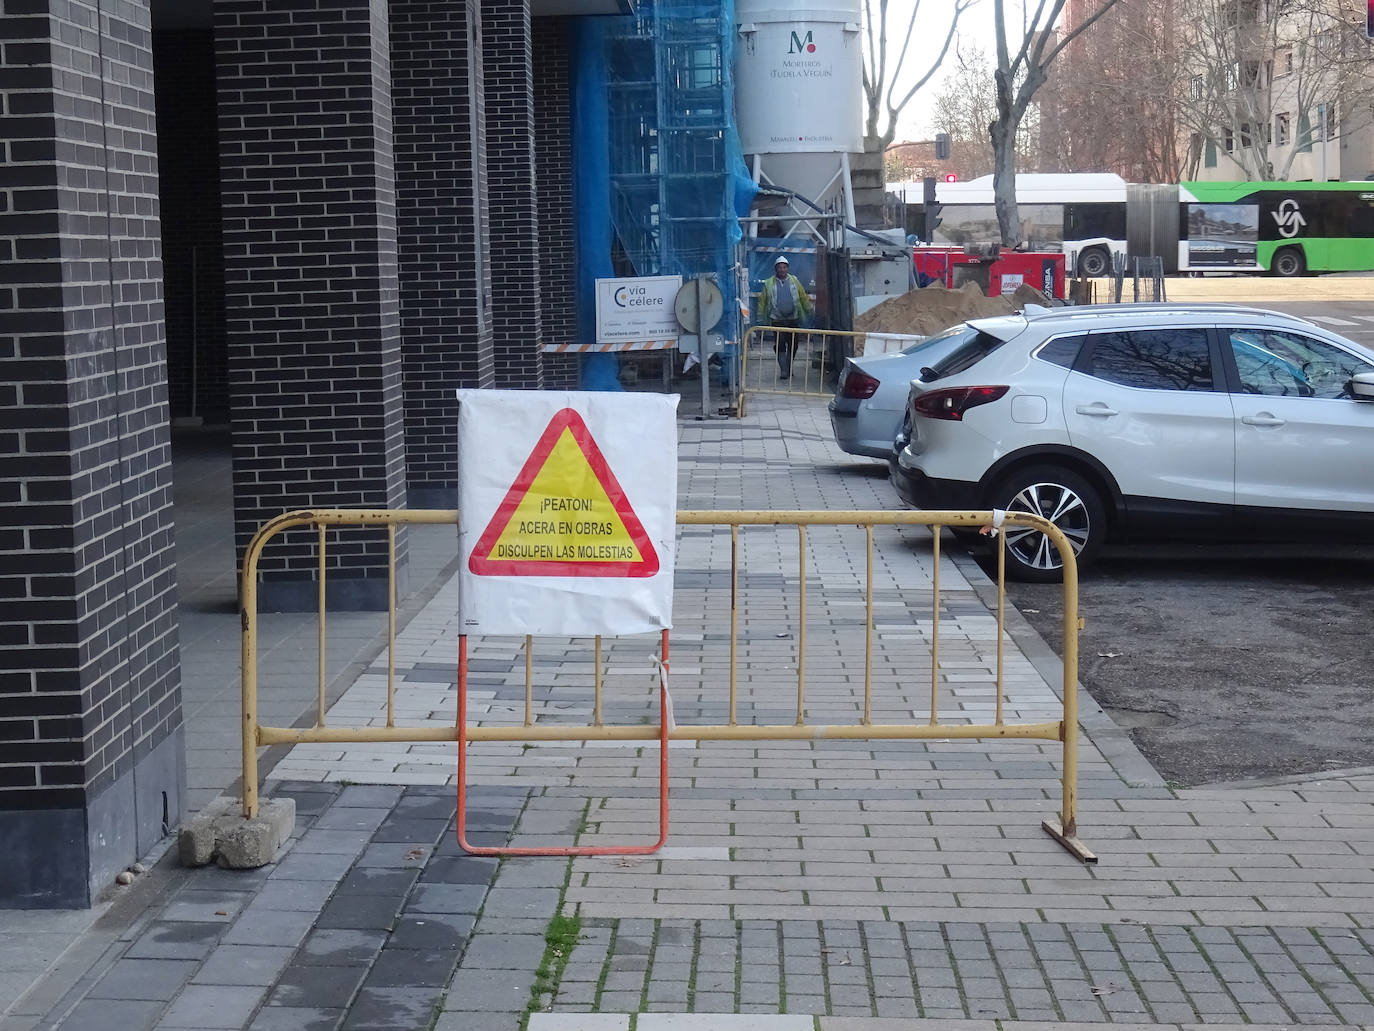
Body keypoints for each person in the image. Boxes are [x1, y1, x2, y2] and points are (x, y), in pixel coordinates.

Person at [756, 255, 812, 379]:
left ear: (788, 269)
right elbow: (763, 301)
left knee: (794, 345)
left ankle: (788, 366)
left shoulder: (794, 281)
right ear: (776, 269)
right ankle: (784, 370)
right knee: (780, 344)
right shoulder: (769, 283)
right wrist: (760, 318)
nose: (782, 270)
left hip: (793, 319)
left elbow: (802, 296)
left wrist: (809, 310)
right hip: (777, 319)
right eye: (780, 267)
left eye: (784, 267)